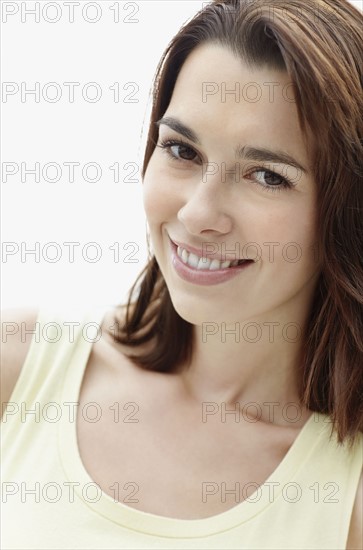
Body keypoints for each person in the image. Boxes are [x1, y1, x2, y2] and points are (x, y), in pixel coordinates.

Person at [1, 0, 362, 548]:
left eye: (266, 175)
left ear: (345, 211)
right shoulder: (20, 370)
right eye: (181, 149)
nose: (196, 213)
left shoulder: (348, 493)